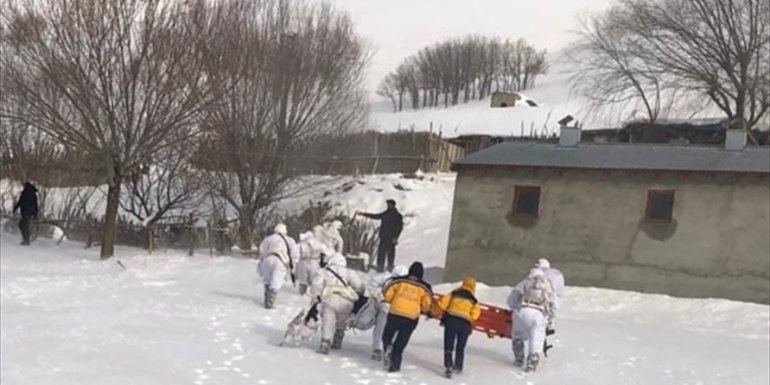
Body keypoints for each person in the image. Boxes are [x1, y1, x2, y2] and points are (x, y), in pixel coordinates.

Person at [380, 261, 432, 372]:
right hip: (411, 317)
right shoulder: (424, 287)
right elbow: (427, 304)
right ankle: (395, 364)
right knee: (401, 341)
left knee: (387, 335)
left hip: (395, 313)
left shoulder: (398, 281)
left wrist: (390, 300)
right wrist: (425, 310)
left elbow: (387, 294)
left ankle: (388, 346)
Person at [309, 253, 364, 354]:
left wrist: (316, 295)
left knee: (328, 321)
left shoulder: (324, 271)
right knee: (342, 319)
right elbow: (359, 286)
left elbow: (316, 285)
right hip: (347, 300)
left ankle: (326, 342)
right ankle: (339, 335)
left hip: (330, 298)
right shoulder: (349, 272)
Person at [506, 268, 557, 372]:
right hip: (538, 314)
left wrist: (516, 308)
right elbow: (555, 306)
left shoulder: (524, 282)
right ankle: (532, 363)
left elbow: (511, 300)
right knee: (536, 338)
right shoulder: (548, 286)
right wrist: (549, 317)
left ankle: (519, 359)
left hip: (522, 311)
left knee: (517, 335)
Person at [434, 277, 481, 378]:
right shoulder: (473, 299)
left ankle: (448, 366)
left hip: (451, 320)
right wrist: (470, 318)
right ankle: (458, 366)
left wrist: (434, 311)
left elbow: (443, 303)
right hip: (464, 323)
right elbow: (476, 313)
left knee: (448, 343)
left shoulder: (454, 293)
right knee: (460, 346)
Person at [369, 265, 408, 361]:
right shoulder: (407, 285)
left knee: (380, 328)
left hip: (386, 308)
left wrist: (378, 297)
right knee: (395, 331)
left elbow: (375, 286)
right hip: (399, 311)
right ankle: (389, 348)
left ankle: (377, 349)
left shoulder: (388, 280)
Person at [258, 223, 299, 309]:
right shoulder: (290, 240)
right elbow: (295, 254)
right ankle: (270, 303)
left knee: (267, 281)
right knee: (276, 282)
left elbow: (261, 251)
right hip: (280, 261)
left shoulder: (268, 239)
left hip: (267, 259)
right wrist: (292, 265)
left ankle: (267, 298)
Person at [357, 199, 403, 273]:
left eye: (389, 205)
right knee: (381, 254)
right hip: (384, 237)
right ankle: (380, 269)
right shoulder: (386, 213)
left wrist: (396, 237)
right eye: (387, 204)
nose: (388, 206)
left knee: (390, 255)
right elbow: (376, 216)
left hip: (391, 238)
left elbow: (399, 227)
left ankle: (389, 269)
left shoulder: (397, 216)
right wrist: (364, 214)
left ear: (393, 205)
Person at [296, 231, 328, 295]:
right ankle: (313, 292)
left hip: (303, 261)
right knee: (314, 278)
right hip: (314, 261)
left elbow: (296, 252)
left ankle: (302, 291)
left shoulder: (301, 243)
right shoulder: (317, 243)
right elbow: (325, 251)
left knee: (303, 278)